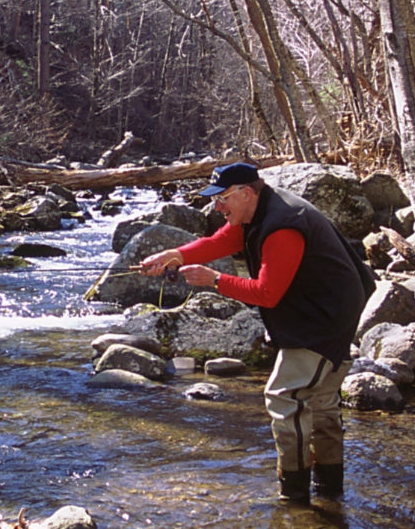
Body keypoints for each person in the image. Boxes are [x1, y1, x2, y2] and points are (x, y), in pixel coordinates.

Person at [140, 162, 376, 504]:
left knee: (283, 397)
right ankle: (329, 492)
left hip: (325, 319)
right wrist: (175, 255)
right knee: (321, 401)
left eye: (222, 200)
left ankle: (293, 494)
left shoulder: (282, 225)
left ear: (246, 192)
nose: (216, 208)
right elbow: (224, 240)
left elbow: (267, 293)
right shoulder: (259, 210)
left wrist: (215, 280)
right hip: (329, 306)